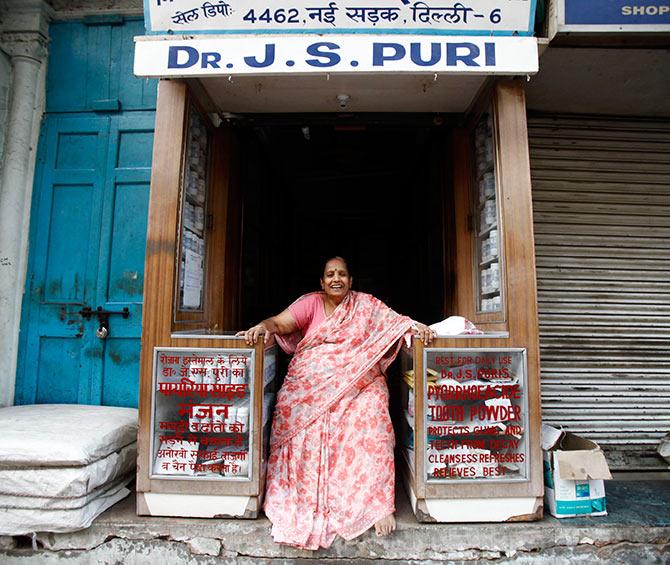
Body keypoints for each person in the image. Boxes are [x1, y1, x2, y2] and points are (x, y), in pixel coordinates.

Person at [240, 256, 435, 550]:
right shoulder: (310, 303)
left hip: (359, 385)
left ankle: (378, 505)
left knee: (373, 415)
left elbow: (396, 323)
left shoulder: (366, 305)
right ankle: (303, 498)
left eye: (342, 274)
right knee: (290, 406)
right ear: (321, 282)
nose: (336, 279)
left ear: (351, 281)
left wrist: (419, 328)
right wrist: (262, 327)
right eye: (330, 274)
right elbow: (279, 322)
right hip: (310, 388)